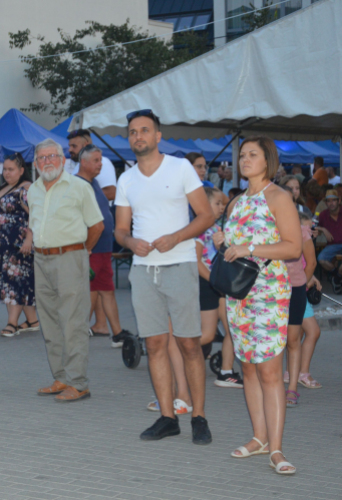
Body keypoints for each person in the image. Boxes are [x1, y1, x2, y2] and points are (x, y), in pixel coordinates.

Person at [114, 109, 215, 444]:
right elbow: (120, 230)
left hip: (180, 264)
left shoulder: (180, 167)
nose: (138, 136)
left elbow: (206, 215)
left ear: (158, 135)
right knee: (155, 344)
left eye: (145, 130)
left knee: (189, 344)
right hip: (143, 271)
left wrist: (177, 237)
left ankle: (198, 416)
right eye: (132, 132)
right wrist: (130, 242)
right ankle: (167, 417)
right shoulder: (126, 179)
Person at [213, 135, 300, 474]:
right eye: (242, 155)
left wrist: (249, 247)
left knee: (269, 371)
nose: (245, 160)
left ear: (268, 161)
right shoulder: (236, 203)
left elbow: (292, 247)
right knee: (247, 367)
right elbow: (233, 250)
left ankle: (277, 449)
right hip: (239, 295)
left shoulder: (277, 198)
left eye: (253, 154)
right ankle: (259, 438)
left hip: (269, 295)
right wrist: (225, 243)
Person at [30, 138, 104, 403]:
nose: (47, 161)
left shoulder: (79, 187)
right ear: (36, 162)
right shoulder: (33, 190)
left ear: (63, 160)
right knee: (49, 322)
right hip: (41, 259)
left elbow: (97, 226)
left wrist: (82, 252)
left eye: (52, 156)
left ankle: (78, 382)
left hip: (70, 257)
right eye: (42, 157)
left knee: (73, 322)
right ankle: (61, 377)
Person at [76, 145, 131, 347]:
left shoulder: (95, 182)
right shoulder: (76, 184)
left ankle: (117, 333)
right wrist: (86, 246)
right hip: (91, 248)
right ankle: (78, 333)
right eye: (96, 160)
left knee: (106, 290)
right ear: (84, 162)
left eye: (101, 160)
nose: (101, 164)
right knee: (90, 290)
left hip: (103, 248)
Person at [0, 153, 39, 337]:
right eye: (5, 169)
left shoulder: (26, 188)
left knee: (14, 283)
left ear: (21, 170)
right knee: (13, 283)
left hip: (18, 245)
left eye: (11, 169)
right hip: (0, 245)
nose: (7, 173)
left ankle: (12, 323)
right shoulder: (4, 188)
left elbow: (36, 214)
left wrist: (29, 239)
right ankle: (32, 320)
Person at [194, 187, 242, 389]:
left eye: (223, 203)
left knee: (232, 328)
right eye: (217, 203)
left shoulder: (216, 228)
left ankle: (226, 372)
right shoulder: (200, 228)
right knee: (207, 334)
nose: (222, 207)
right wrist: (215, 282)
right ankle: (176, 353)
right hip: (207, 285)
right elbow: (196, 262)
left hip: (219, 285)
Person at [284, 211, 321, 407]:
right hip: (272, 291)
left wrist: (302, 283)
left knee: (293, 339)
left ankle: (292, 388)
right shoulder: (268, 228)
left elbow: (311, 262)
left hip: (295, 290)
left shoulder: (301, 232)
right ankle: (275, 383)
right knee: (278, 339)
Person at [65, 129, 117, 201]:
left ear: (86, 144)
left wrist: (78, 196)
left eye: (74, 146)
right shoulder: (78, 166)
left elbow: (111, 193)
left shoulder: (102, 162)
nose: (70, 150)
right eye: (70, 146)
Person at [315, 189, 342, 286]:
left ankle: (337, 278)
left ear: (339, 201)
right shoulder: (323, 215)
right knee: (321, 259)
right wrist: (323, 229)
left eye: (334, 200)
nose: (331, 203)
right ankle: (337, 276)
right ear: (326, 203)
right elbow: (313, 226)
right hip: (332, 245)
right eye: (329, 201)